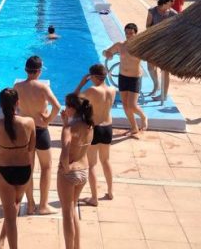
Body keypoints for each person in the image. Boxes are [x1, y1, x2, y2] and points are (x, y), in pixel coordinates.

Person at [14, 55, 61, 215]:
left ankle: (31, 204)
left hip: (24, 130)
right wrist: (47, 120)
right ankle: (43, 205)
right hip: (40, 130)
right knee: (46, 167)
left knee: (29, 169)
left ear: (26, 70)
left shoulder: (17, 86)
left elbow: (12, 107)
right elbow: (57, 106)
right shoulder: (43, 88)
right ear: (39, 71)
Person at [0, 88, 36, 249]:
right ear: (18, 103)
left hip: (5, 170)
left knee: (10, 214)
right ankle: (1, 240)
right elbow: (32, 147)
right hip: (24, 170)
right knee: (14, 206)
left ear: (0, 105)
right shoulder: (29, 122)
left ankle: (4, 241)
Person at [74, 64, 116, 203]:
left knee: (92, 164)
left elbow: (75, 97)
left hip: (95, 128)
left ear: (94, 77)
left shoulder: (92, 90)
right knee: (106, 161)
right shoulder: (112, 89)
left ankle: (94, 198)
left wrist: (81, 83)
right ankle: (110, 192)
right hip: (108, 127)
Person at [57, 94, 94, 249]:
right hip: (84, 170)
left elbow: (66, 150)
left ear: (72, 108)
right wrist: (66, 121)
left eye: (66, 106)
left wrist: (65, 167)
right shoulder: (89, 125)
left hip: (70, 173)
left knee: (66, 214)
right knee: (73, 210)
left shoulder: (69, 128)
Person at [104, 23, 148, 137]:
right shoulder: (120, 45)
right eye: (127, 33)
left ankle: (143, 116)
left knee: (132, 105)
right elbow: (106, 52)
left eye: (131, 33)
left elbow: (150, 56)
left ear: (135, 33)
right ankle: (134, 127)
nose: (128, 35)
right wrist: (108, 54)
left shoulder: (140, 47)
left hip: (135, 78)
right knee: (125, 105)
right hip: (123, 77)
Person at [146, 0, 178, 102]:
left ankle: (163, 95)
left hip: (166, 46)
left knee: (165, 71)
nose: (174, 2)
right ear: (165, 0)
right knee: (150, 67)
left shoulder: (173, 14)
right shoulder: (152, 11)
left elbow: (176, 30)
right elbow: (147, 27)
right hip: (153, 43)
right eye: (172, 0)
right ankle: (156, 85)